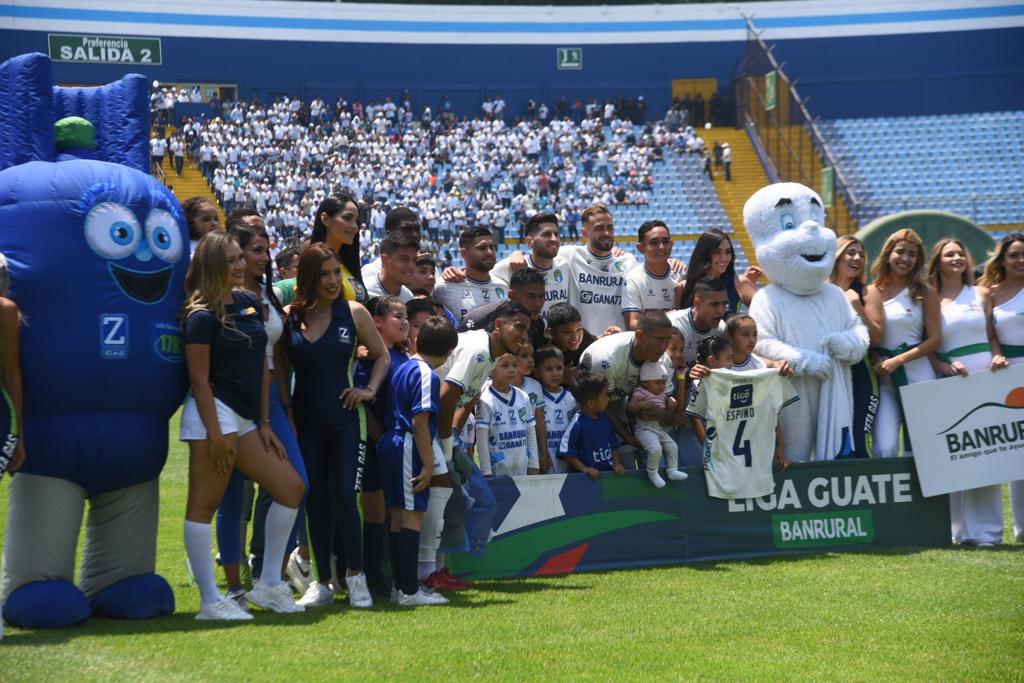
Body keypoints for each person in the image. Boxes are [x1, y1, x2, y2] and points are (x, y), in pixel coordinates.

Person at [179, 232, 305, 621]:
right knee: (204, 505)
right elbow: (199, 380)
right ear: (213, 264)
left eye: (240, 258)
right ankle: (210, 602)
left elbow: (263, 365)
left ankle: (267, 585)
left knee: (291, 488)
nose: (240, 265)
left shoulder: (250, 302)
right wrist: (216, 434)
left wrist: (264, 422)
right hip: (213, 414)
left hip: (249, 417)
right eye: (231, 260)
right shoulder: (199, 316)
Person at [282, 244, 391, 608]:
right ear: (308, 277)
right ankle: (322, 582)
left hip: (345, 422)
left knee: (346, 496)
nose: (332, 282)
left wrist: (369, 390)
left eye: (336, 274)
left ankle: (356, 577)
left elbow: (382, 357)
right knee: (316, 500)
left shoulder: (354, 312)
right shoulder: (290, 317)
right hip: (306, 422)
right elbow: (281, 373)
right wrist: (288, 413)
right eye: (324, 274)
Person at [213, 220, 307, 606]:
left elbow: (278, 359)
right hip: (234, 396)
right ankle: (235, 587)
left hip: (272, 398)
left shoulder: (267, 292)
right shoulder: (222, 297)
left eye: (265, 250)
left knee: (298, 484)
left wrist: (285, 405)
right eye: (254, 251)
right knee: (232, 496)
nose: (262, 257)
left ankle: (271, 577)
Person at [429, 301, 532, 588]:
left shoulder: (490, 354)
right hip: (427, 431)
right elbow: (446, 395)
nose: (524, 336)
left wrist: (452, 436)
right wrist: (446, 443)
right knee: (445, 502)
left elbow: (468, 397)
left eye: (528, 330)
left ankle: (438, 569)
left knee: (470, 501)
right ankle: (429, 573)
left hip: (444, 434)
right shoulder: (477, 348)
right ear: (498, 325)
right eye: (519, 328)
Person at [928, 237, 1007, 547]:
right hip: (950, 380)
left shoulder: (982, 293)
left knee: (986, 453)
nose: (957, 258)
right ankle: (957, 530)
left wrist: (997, 356)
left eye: (961, 252)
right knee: (957, 454)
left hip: (985, 378)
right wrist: (945, 367)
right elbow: (929, 346)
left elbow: (991, 335)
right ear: (938, 260)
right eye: (949, 254)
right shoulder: (929, 298)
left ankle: (988, 532)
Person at [379, 316, 458, 606]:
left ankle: (400, 586)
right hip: (407, 444)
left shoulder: (404, 366)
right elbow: (420, 421)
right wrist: (428, 464)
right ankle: (409, 591)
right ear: (448, 351)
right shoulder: (427, 374)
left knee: (400, 516)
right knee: (411, 517)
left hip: (392, 442)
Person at [685, 335, 796, 500]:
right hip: (723, 463)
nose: (732, 363)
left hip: (754, 464)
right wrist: (710, 451)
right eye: (728, 358)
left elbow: (771, 412)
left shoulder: (748, 381)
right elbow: (696, 420)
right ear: (712, 360)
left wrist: (780, 447)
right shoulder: (701, 383)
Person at [864, 229, 941, 458]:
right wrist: (874, 356)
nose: (905, 259)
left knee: (923, 448)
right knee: (884, 446)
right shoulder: (870, 291)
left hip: (919, 376)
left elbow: (935, 339)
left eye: (912, 254)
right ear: (889, 253)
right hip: (885, 379)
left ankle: (928, 495)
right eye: (900, 252)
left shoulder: (924, 292)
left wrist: (898, 360)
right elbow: (866, 332)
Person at [355, 296, 415, 593]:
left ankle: (395, 578)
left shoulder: (405, 356)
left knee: (398, 511)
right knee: (376, 511)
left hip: (398, 447)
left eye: (406, 316)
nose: (404, 322)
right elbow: (362, 402)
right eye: (397, 316)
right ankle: (372, 577)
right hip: (376, 444)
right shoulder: (368, 359)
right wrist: (379, 436)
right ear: (375, 321)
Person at [579, 310, 678, 464]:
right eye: (659, 339)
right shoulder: (607, 360)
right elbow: (601, 406)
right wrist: (626, 435)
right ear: (639, 336)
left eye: (668, 340)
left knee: (656, 457)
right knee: (624, 464)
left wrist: (661, 413)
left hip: (625, 401)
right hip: (591, 408)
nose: (664, 346)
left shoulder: (664, 362)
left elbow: (666, 411)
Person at [980, 233, 1024, 542]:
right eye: (1014, 255)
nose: (1020, 261)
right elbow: (989, 333)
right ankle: (1021, 528)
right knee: (1014, 453)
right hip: (1006, 375)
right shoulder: (989, 294)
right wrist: (996, 354)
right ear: (1002, 260)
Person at [829, 236, 884, 458]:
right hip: (828, 373)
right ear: (837, 256)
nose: (857, 258)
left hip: (861, 374)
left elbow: (878, 338)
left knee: (860, 441)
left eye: (861, 254)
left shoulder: (867, 292)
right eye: (850, 252)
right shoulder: (820, 290)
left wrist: (856, 307)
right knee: (830, 442)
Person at [475, 353, 540, 477]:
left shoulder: (523, 396)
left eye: (514, 365)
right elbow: (482, 440)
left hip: (522, 468)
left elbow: (531, 432)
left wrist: (534, 464)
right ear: (490, 370)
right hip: (498, 472)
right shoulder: (485, 400)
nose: (511, 370)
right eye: (504, 366)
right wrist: (486, 472)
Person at [558, 372, 625, 479]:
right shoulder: (577, 423)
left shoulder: (605, 419)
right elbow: (566, 452)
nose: (608, 399)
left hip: (609, 477)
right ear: (591, 403)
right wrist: (585, 468)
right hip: (587, 481)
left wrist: (617, 464)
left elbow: (613, 446)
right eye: (605, 396)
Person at [677, 229, 761, 314]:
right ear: (705, 253)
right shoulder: (683, 287)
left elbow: (763, 312)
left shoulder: (740, 283)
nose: (724, 258)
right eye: (717, 252)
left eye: (728, 252)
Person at [458, 268, 547, 348]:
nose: (537, 304)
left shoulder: (538, 324)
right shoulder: (478, 319)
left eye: (542, 296)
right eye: (530, 296)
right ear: (512, 295)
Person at [630, 362, 687, 488]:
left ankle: (672, 470)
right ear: (645, 382)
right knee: (655, 450)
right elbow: (630, 408)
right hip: (644, 429)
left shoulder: (662, 394)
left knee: (673, 446)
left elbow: (667, 410)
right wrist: (641, 405)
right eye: (657, 383)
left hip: (658, 428)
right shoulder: (641, 392)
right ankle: (652, 472)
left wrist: (671, 403)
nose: (662, 386)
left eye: (663, 382)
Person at [431, 227, 507, 320]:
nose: (489, 252)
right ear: (464, 253)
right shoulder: (444, 287)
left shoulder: (502, 286)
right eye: (482, 248)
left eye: (492, 247)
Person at [622, 220, 681, 330]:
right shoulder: (633, 279)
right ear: (640, 248)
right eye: (654, 243)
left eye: (666, 241)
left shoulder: (682, 273)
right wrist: (667, 318)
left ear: (672, 244)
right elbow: (632, 324)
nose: (661, 247)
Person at [668, 277, 729, 376]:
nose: (721, 310)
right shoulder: (674, 324)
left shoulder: (722, 329)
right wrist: (687, 375)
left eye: (724, 304)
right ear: (697, 303)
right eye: (714, 304)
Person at [534, 346, 576, 475]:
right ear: (537, 372)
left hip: (572, 464)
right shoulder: (535, 398)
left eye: (559, 368)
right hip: (545, 461)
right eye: (548, 369)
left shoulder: (573, 398)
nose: (555, 373)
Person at [512, 340, 549, 472]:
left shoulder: (535, 385)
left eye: (532, 356)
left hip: (532, 450)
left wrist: (544, 453)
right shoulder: (493, 386)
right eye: (524, 355)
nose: (531, 360)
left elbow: (539, 421)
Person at [546, 302, 597, 387]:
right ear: (551, 333)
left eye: (579, 329)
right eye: (567, 332)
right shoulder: (545, 353)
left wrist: (608, 336)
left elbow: (596, 341)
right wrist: (561, 378)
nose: (575, 337)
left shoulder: (585, 337)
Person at [365, 230, 417, 302]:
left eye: (414, 260)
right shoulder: (365, 292)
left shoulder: (408, 298)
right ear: (385, 259)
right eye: (404, 259)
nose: (411, 266)